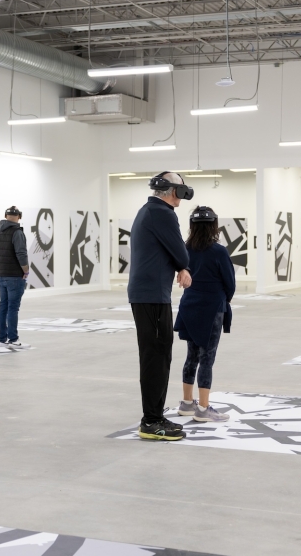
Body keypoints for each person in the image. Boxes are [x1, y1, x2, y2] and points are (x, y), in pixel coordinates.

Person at [128, 172, 193, 441]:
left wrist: (181, 267)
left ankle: (154, 414)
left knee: (158, 353)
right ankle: (151, 421)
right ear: (170, 191)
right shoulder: (163, 214)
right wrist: (183, 265)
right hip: (152, 295)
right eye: (180, 189)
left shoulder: (149, 210)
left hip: (151, 293)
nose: (182, 195)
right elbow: (180, 251)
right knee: (156, 355)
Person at [175, 207, 235, 423]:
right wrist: (222, 298)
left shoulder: (184, 249)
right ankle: (204, 408)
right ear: (214, 225)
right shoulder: (218, 251)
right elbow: (230, 284)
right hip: (212, 308)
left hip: (189, 305)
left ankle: (187, 403)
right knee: (207, 358)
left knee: (191, 356)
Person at [0, 205, 29, 348]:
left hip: (1, 274)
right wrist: (26, 270)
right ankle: (13, 339)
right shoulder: (17, 232)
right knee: (13, 308)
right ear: (19, 217)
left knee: (3, 306)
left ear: (6, 216)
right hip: (14, 276)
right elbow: (21, 254)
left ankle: (2, 339)